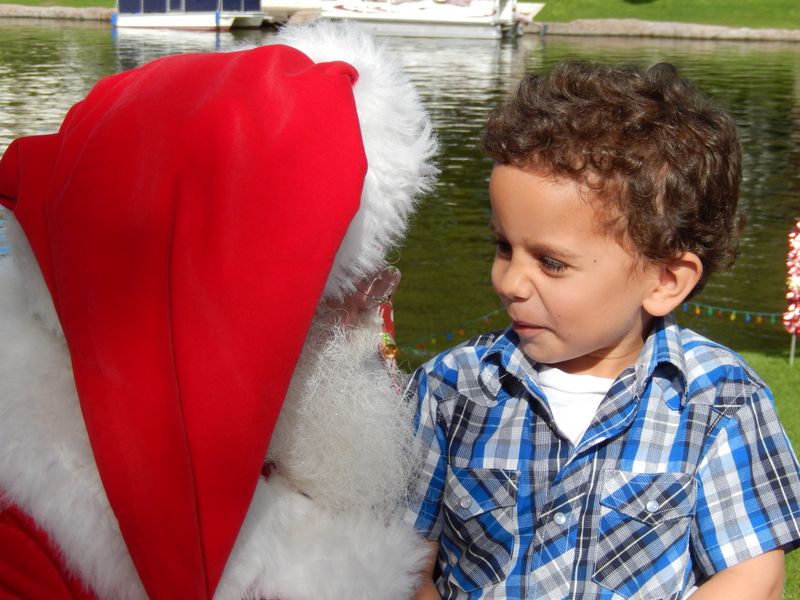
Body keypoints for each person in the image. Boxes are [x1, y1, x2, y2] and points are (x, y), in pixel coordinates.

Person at [0, 22, 437, 599]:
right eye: (345, 293)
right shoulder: (26, 547)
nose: (375, 319)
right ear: (237, 309)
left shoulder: (265, 419)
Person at [406, 60, 800, 600]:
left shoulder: (720, 400)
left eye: (551, 263)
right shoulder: (453, 389)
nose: (510, 281)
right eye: (504, 246)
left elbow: (751, 577)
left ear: (665, 280)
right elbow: (402, 557)